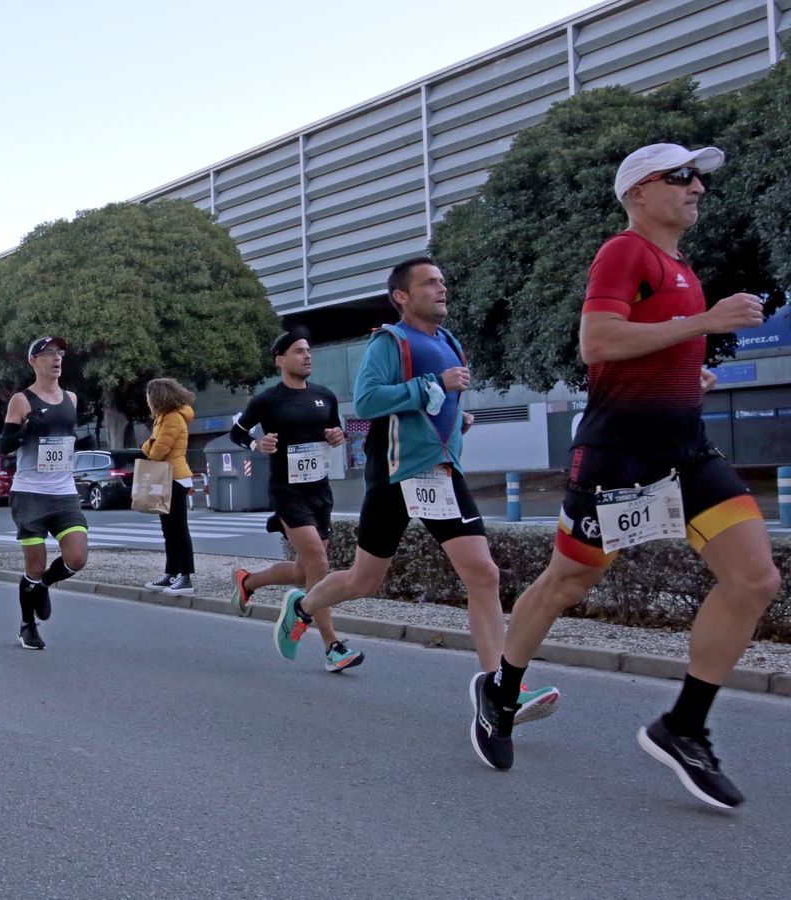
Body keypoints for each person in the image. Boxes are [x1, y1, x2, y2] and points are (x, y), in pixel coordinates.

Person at [471, 145, 780, 808]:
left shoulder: (678, 266)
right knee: (568, 583)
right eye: (683, 176)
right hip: (619, 456)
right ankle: (499, 690)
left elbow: (640, 349)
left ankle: (685, 727)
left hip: (686, 450)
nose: (698, 186)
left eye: (699, 177)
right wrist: (704, 322)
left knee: (755, 578)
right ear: (640, 191)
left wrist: (685, 372)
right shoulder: (625, 250)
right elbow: (598, 342)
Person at [271, 259, 561, 715]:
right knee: (365, 580)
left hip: (441, 470)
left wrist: (457, 418)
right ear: (402, 296)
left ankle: (500, 690)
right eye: (429, 282)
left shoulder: (448, 341)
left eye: (443, 281)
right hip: (395, 473)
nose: (441, 288)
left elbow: (441, 404)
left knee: (483, 574)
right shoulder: (391, 341)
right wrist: (433, 383)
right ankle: (303, 605)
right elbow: (367, 402)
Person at [227, 333, 361, 672]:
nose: (307, 356)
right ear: (280, 359)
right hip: (287, 491)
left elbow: (335, 432)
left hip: (320, 491)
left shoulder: (324, 396)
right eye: (298, 351)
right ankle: (332, 645)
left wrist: (337, 435)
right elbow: (238, 433)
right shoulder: (267, 400)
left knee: (306, 570)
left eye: (308, 351)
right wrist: (258, 445)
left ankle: (248, 581)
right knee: (318, 559)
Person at [0, 336, 89, 652]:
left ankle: (45, 586)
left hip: (63, 491)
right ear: (33, 361)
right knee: (34, 565)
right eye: (48, 353)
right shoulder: (21, 401)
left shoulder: (71, 398)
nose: (56, 358)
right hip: (30, 492)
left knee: (77, 557)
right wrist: (25, 430)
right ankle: (27, 625)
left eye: (59, 352)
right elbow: (4, 447)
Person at [141, 377, 198, 595]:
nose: (147, 400)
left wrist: (146, 444)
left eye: (149, 395)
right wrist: (151, 443)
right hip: (167, 477)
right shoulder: (163, 418)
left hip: (174, 477)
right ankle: (171, 573)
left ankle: (185, 577)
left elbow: (156, 452)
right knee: (169, 530)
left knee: (178, 530)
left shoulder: (173, 418)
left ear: (157, 396)